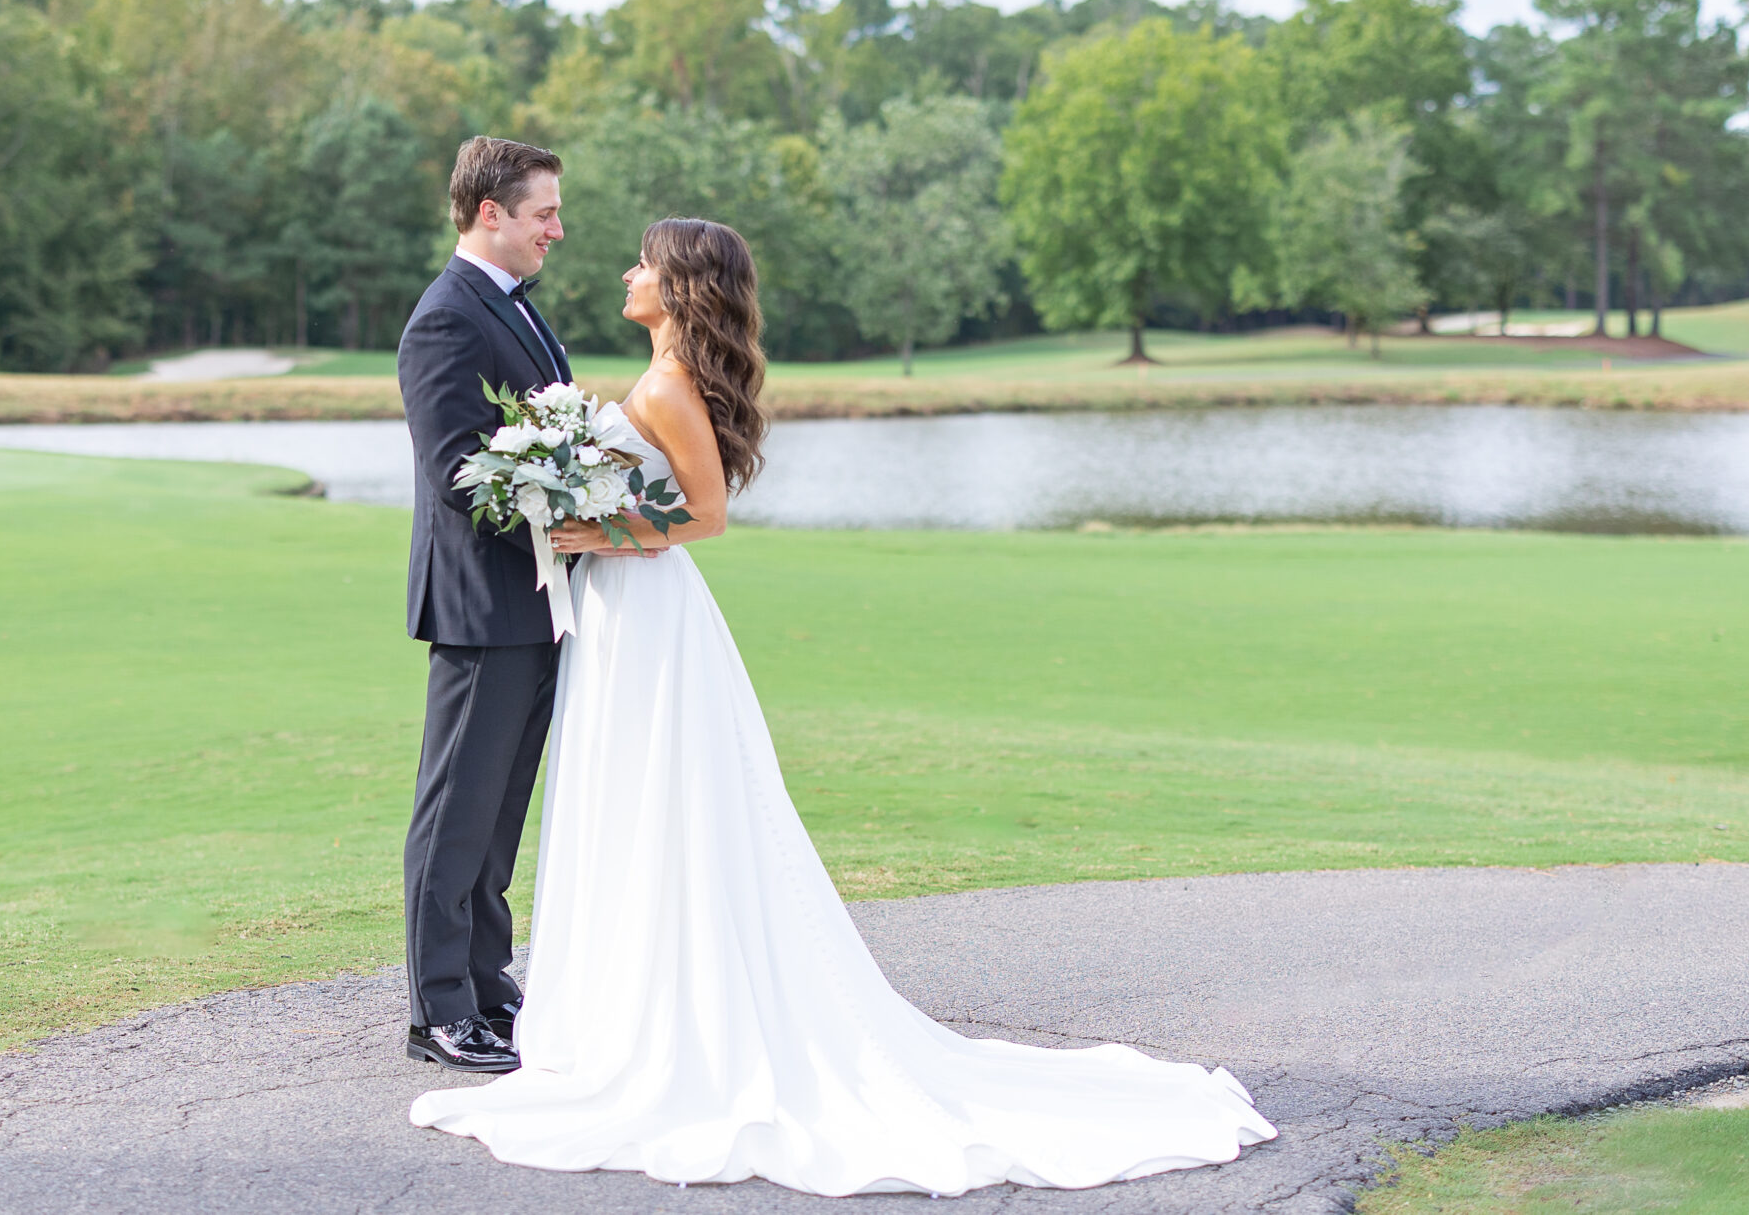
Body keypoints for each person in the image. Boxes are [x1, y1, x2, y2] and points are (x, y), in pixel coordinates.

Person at [410, 217, 1277, 1197]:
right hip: (618, 616)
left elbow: (703, 513)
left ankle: (662, 1022)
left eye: (644, 263)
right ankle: (629, 1005)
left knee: (657, 800)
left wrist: (585, 526)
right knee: (628, 801)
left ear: (680, 285)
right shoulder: (659, 374)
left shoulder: (664, 384)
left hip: (645, 610)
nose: (626, 270)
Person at [396, 136, 590, 1074]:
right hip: (482, 603)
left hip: (536, 601)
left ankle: (485, 976)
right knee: (455, 809)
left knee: (501, 805)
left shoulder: (515, 306)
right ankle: (437, 1006)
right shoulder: (444, 318)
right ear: (491, 215)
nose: (557, 227)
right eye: (544, 211)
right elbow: (461, 474)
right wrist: (572, 525)